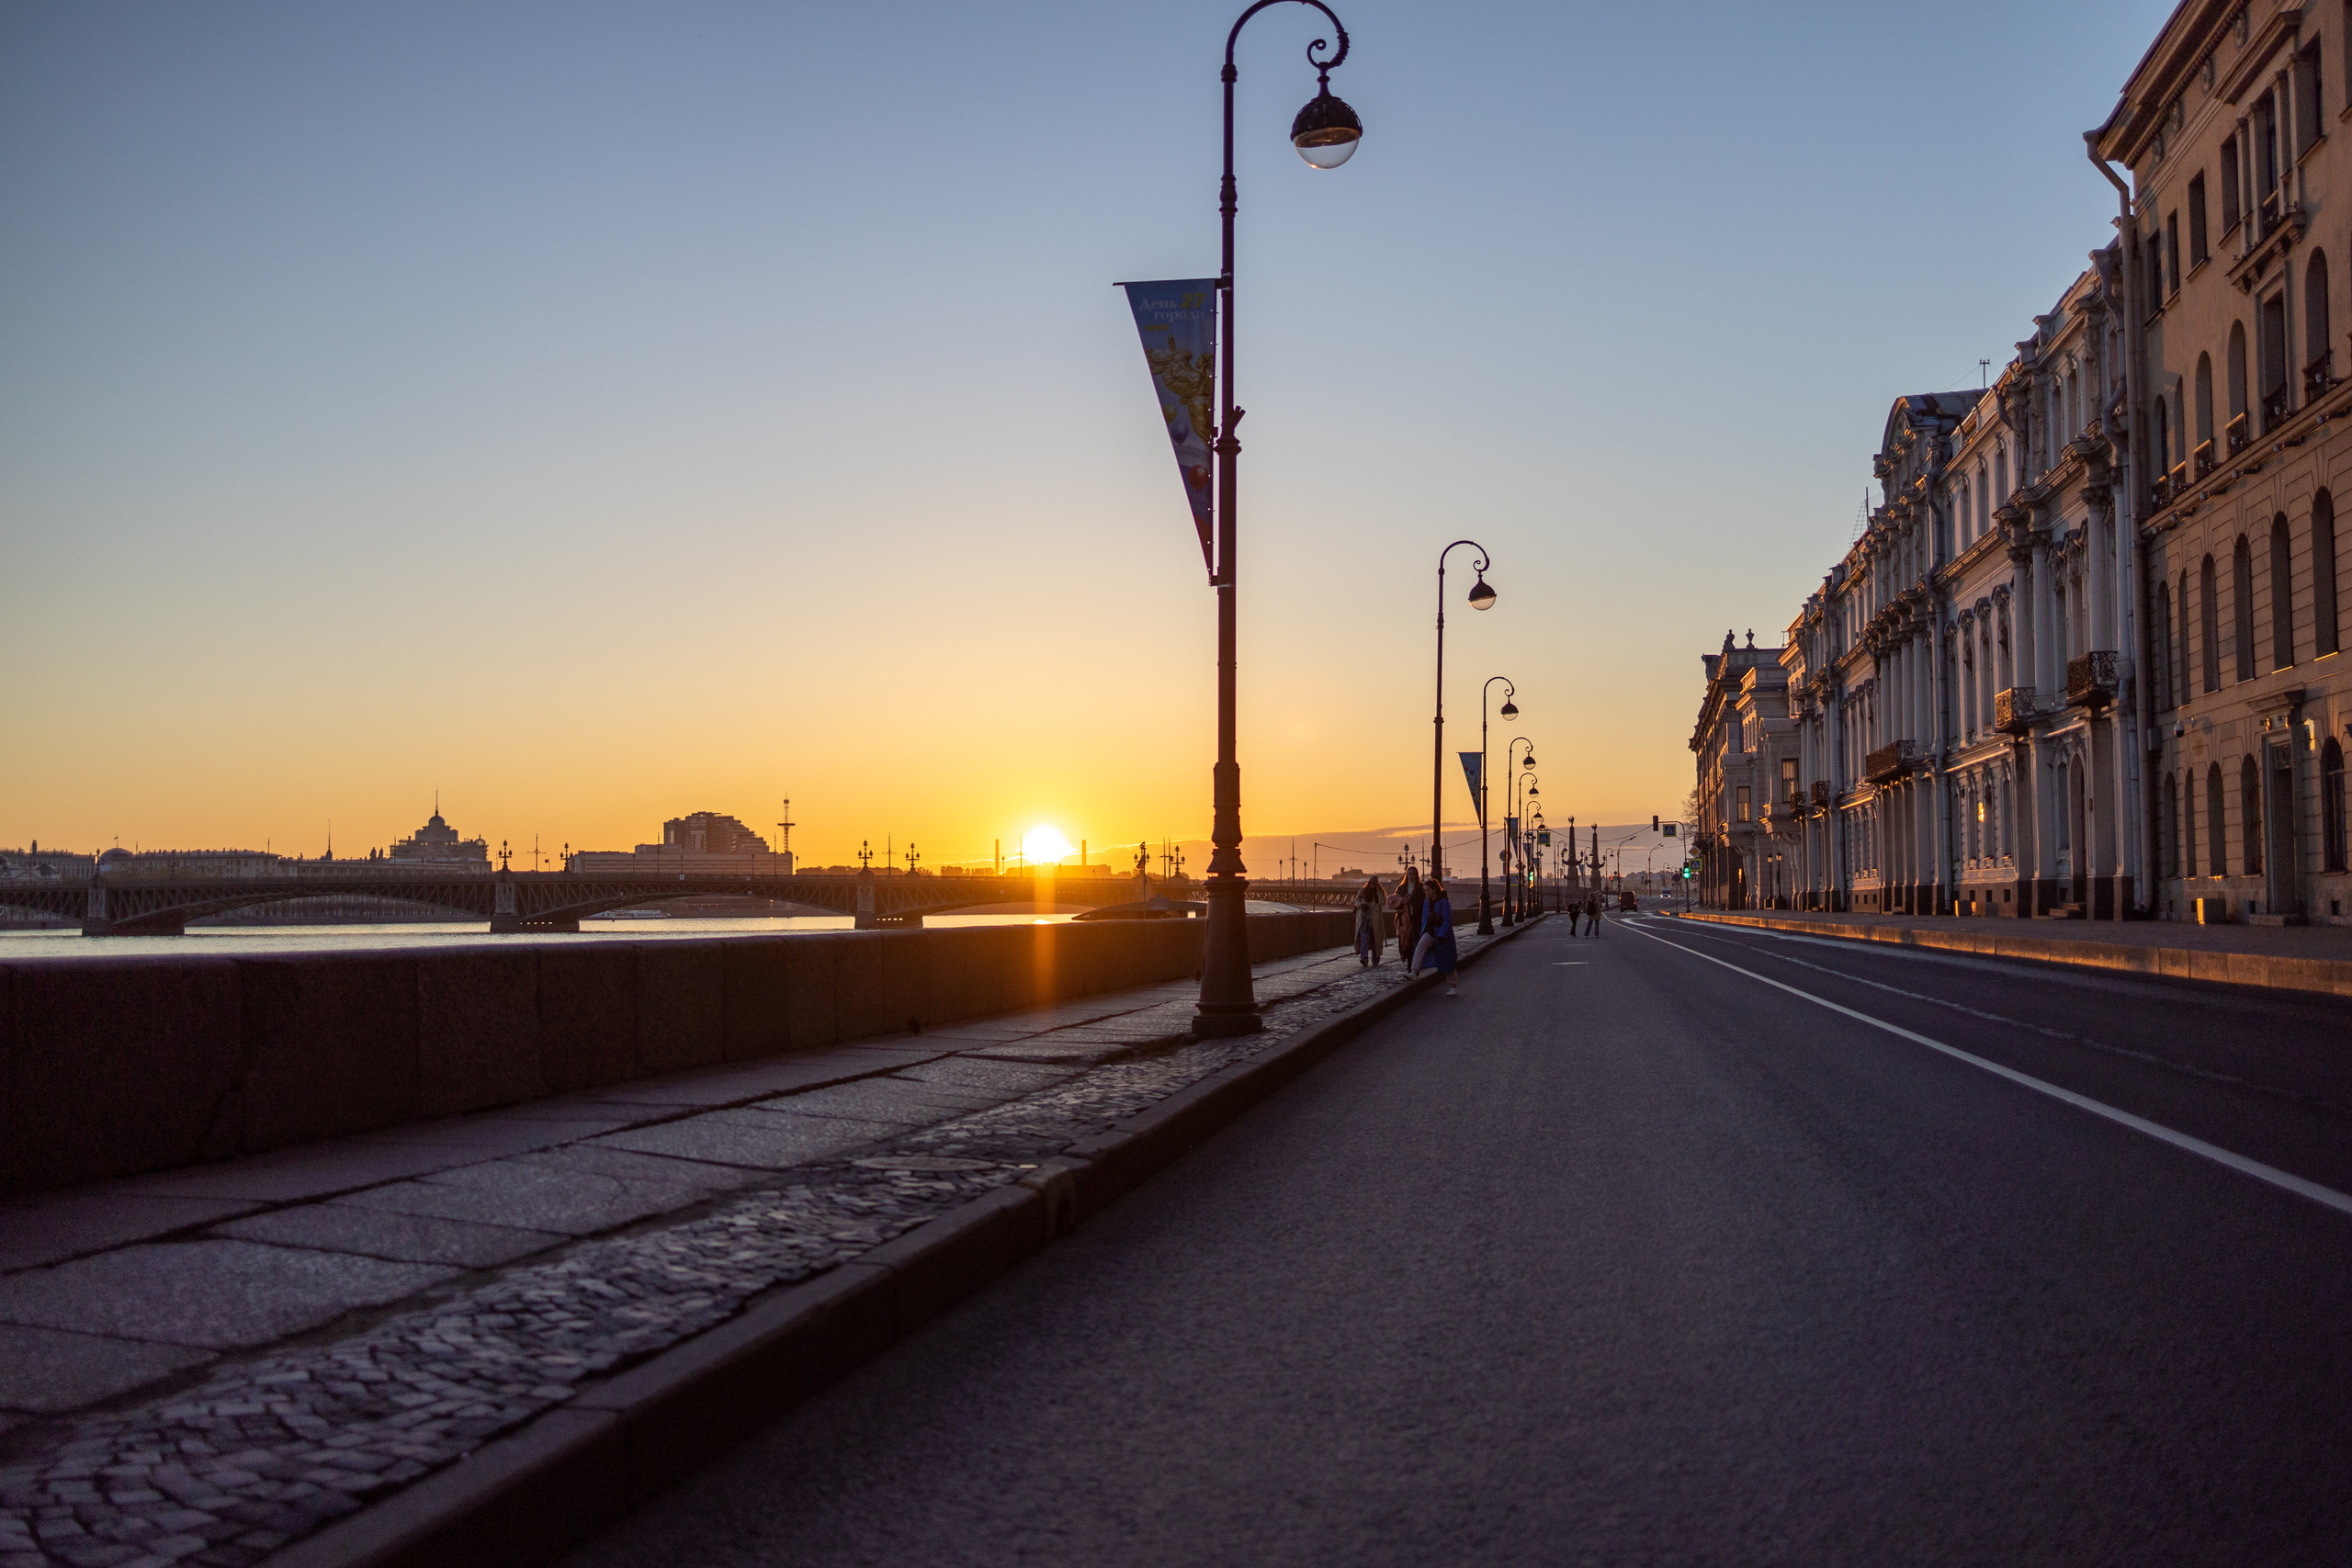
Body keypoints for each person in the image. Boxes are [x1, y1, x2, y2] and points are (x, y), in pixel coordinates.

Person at [1415, 876, 1462, 994]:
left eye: (1428, 891)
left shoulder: (1443, 902)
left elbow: (1447, 920)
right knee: (1420, 946)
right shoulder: (1427, 902)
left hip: (1442, 935)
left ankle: (1453, 986)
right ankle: (1414, 971)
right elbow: (1425, 918)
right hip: (1430, 932)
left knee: (1447, 960)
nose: (1426, 893)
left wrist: (1442, 934)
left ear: (1434, 890)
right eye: (1425, 891)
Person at [1393, 865, 1425, 978]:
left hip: (1417, 920)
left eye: (1413, 874)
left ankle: (1412, 968)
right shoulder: (1401, 888)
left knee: (1415, 943)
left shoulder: (1421, 888)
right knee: (1405, 944)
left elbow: (1423, 904)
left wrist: (1412, 899)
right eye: (1409, 874)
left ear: (1417, 875)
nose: (1411, 876)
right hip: (1404, 921)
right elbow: (1394, 904)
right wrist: (1403, 902)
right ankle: (1410, 966)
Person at [1353, 875, 1386, 967]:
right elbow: (1357, 900)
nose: (1372, 885)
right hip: (1364, 919)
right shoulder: (1363, 891)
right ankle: (1364, 958)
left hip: (1375, 921)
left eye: (1374, 884)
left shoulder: (1379, 893)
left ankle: (1375, 960)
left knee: (1376, 940)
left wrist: (1379, 891)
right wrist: (1360, 905)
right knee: (1364, 939)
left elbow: (1382, 902)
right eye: (1371, 883)